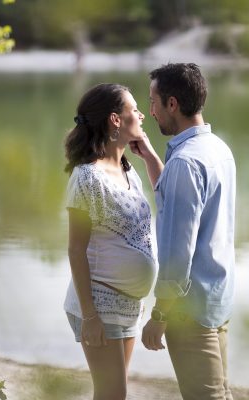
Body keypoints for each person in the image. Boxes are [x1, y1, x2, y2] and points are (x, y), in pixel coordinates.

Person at [134, 63, 236, 400]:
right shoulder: (216, 149)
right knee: (221, 393)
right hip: (217, 298)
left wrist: (160, 314)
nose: (150, 110)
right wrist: (150, 156)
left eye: (153, 102)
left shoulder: (185, 163)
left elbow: (178, 251)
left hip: (188, 311)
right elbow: (179, 204)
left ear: (172, 104)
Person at [63, 83, 158, 400]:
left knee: (112, 394)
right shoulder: (87, 177)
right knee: (112, 394)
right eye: (134, 109)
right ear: (116, 120)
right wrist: (89, 317)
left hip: (128, 305)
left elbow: (167, 196)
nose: (142, 115)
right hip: (98, 305)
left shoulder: (130, 170)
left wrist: (148, 154)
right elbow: (76, 250)